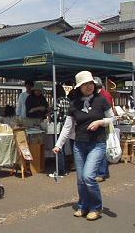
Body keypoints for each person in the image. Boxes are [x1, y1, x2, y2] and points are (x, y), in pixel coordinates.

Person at [53, 71, 114, 221]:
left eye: (91, 83)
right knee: (80, 180)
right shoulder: (74, 104)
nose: (89, 86)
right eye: (85, 84)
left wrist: (101, 122)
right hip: (79, 145)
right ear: (79, 87)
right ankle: (83, 206)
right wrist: (58, 145)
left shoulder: (102, 100)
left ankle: (96, 207)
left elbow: (113, 119)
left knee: (88, 176)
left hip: (97, 144)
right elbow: (67, 127)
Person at [48, 84, 73, 178]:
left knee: (58, 148)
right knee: (64, 148)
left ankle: (60, 170)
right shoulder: (67, 100)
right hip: (68, 125)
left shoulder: (58, 101)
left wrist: (50, 116)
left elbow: (56, 115)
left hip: (60, 126)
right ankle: (65, 169)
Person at [94, 77, 113, 182]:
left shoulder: (105, 95)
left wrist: (102, 122)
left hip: (103, 125)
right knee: (101, 150)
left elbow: (109, 113)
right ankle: (104, 172)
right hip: (98, 125)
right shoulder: (98, 95)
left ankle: (102, 173)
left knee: (101, 149)